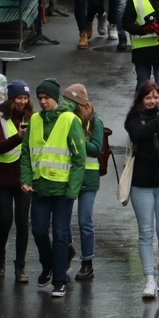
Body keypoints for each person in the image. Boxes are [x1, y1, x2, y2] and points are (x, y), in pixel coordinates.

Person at [20, 78, 86, 298]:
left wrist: (73, 189)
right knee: (38, 231)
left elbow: (79, 158)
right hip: (39, 188)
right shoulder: (35, 120)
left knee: (59, 233)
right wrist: (26, 179)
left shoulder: (70, 120)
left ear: (55, 98)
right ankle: (48, 265)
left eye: (46, 98)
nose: (43, 102)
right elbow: (26, 154)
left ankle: (59, 280)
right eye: (39, 99)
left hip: (62, 190)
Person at [125, 82, 159, 299]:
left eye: (156, 97)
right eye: (148, 97)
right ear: (140, 100)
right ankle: (149, 278)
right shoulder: (133, 120)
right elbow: (140, 133)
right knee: (145, 233)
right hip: (141, 184)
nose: (152, 101)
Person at [0, 79, 33, 282]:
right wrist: (19, 137)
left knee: (23, 222)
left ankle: (20, 267)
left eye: (25, 98)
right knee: (5, 220)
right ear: (11, 98)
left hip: (24, 178)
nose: (22, 102)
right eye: (19, 98)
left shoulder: (33, 117)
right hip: (2, 178)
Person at [62, 84, 102, 281]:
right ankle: (68, 250)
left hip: (88, 177)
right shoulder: (67, 120)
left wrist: (77, 140)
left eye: (71, 102)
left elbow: (96, 148)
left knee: (84, 221)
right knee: (63, 219)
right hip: (68, 175)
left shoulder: (95, 121)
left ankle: (88, 262)